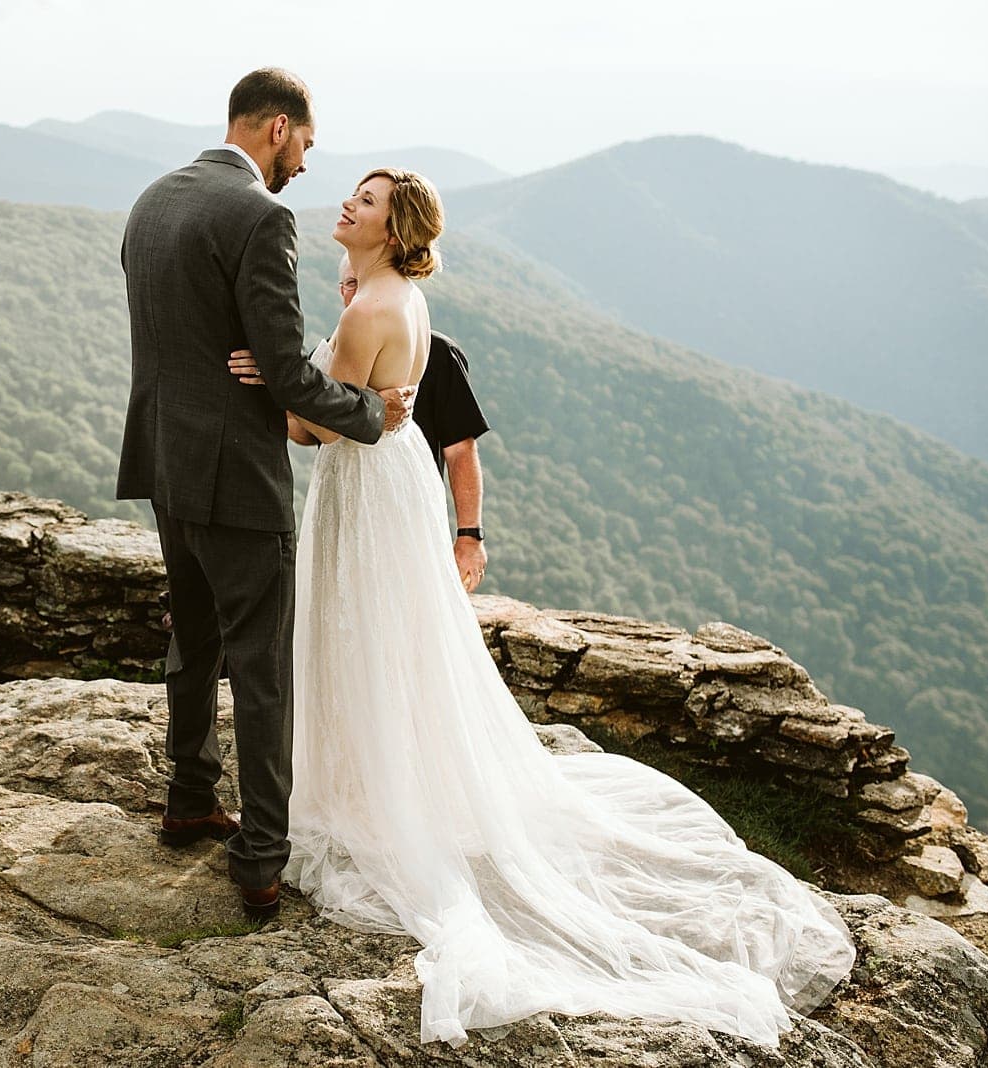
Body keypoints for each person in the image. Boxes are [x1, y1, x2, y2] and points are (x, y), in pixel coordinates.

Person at [229, 169, 855, 1047]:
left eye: (366, 202)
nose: (347, 205)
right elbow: (364, 402)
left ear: (394, 230)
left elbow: (318, 428)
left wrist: (276, 384)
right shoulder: (392, 297)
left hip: (365, 489)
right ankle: (387, 780)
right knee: (394, 642)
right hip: (394, 486)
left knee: (362, 637)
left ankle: (368, 795)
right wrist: (335, 379)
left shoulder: (370, 309)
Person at [116, 68, 416, 919]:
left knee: (192, 638)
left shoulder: (151, 200)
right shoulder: (259, 215)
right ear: (279, 128)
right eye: (307, 144)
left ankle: (188, 798)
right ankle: (258, 856)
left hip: (165, 460)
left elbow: (184, 339)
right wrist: (373, 413)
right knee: (262, 667)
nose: (307, 165)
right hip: (237, 477)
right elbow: (283, 373)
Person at [340, 252, 492, 592]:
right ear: (341, 292)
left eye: (366, 283)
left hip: (411, 520)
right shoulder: (332, 356)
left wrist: (470, 536)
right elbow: (307, 434)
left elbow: (460, 450)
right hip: (344, 518)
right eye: (351, 284)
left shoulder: (436, 352)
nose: (360, 293)